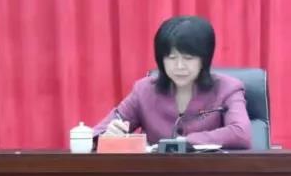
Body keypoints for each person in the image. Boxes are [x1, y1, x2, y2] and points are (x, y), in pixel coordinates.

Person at [92, 15, 252, 149]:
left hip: (209, 173)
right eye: (171, 57)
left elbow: (240, 133)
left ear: (204, 59)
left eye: (188, 58)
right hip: (156, 175)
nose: (179, 66)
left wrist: (184, 142)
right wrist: (108, 136)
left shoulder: (227, 88)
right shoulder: (144, 90)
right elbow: (98, 133)